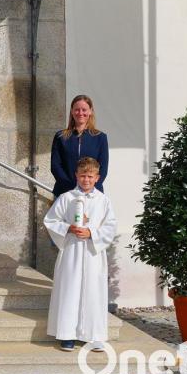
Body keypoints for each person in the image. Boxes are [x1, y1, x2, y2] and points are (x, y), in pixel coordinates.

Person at [43, 157, 117, 352]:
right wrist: (68, 228)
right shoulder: (66, 198)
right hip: (72, 252)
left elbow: (110, 226)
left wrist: (92, 232)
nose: (86, 179)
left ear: (97, 178)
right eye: (83, 175)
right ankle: (67, 334)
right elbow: (50, 220)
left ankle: (93, 336)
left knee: (93, 292)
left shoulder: (103, 201)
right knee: (70, 290)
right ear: (76, 175)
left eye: (90, 176)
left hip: (93, 254)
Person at [50, 94, 109, 198]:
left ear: (90, 111)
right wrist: (71, 187)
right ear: (72, 111)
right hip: (65, 192)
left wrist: (88, 187)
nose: (80, 113)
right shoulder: (61, 137)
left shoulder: (100, 138)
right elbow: (55, 166)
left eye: (84, 110)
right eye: (77, 110)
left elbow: (103, 168)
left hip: (92, 194)